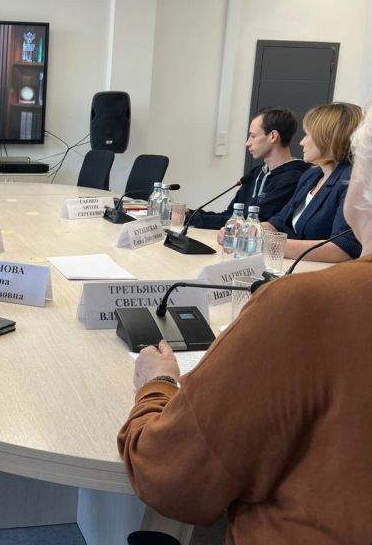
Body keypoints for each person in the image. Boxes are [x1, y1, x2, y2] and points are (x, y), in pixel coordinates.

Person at [117, 102, 372, 543]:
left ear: (362, 184)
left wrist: (156, 386)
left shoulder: (303, 305)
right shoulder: (305, 182)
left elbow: (171, 475)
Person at [262, 102, 363, 261]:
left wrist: (271, 245)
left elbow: (343, 248)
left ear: (328, 138)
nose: (301, 142)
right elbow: (279, 222)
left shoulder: (350, 181)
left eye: (307, 135)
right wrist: (250, 231)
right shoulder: (311, 175)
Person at [190, 107, 309, 229]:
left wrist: (192, 219)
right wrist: (189, 214)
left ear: (273, 136)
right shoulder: (255, 173)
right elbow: (231, 216)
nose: (247, 143)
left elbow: (254, 220)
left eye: (253, 136)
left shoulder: (294, 178)